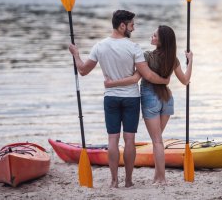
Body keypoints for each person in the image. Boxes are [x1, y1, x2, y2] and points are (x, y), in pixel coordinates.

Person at [68, 10, 169, 188]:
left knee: (112, 139)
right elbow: (147, 75)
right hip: (131, 98)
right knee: (129, 139)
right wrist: (165, 80)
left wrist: (76, 54)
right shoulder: (133, 47)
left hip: (111, 99)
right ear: (122, 26)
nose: (133, 28)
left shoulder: (99, 46)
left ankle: (114, 181)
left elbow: (83, 70)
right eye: (131, 25)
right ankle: (128, 180)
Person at [104, 25, 193, 184]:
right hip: (167, 100)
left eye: (154, 35)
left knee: (157, 141)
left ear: (161, 41)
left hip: (150, 99)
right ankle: (157, 177)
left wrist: (111, 83)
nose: (151, 37)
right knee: (158, 140)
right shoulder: (173, 59)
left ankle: (162, 179)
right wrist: (191, 61)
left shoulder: (146, 56)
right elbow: (185, 80)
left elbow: (134, 79)